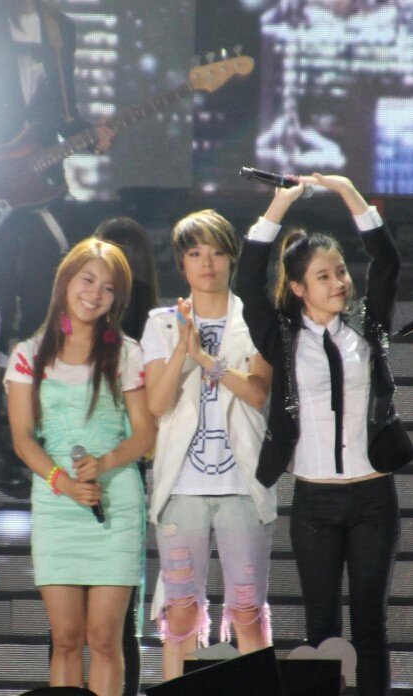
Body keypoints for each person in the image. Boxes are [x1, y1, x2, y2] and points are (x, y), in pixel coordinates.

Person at [236, 173, 411, 695]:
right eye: (323, 276)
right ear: (298, 288)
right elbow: (248, 280)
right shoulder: (281, 336)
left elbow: (387, 261)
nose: (339, 282)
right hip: (314, 503)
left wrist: (349, 193)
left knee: (371, 628)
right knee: (322, 632)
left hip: (373, 498)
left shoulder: (367, 325)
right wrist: (278, 205)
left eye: (340, 272)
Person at [5, 238, 155, 696]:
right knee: (67, 639)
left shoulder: (126, 353)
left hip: (115, 504)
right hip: (57, 506)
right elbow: (22, 438)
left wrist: (103, 463)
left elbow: (145, 435)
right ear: (66, 281)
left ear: (117, 299)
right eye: (87, 280)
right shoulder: (29, 354)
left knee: (105, 638)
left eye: (108, 288)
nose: (95, 294)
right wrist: (63, 482)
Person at [141, 209, 276, 680]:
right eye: (196, 253)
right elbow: (157, 404)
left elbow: (258, 394)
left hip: (243, 485)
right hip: (181, 488)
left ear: (232, 259)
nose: (207, 263)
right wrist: (183, 347)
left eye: (217, 253)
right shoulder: (161, 323)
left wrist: (205, 359)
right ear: (181, 262)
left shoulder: (254, 320)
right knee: (180, 612)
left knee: (248, 611)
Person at [0, 0, 113, 494]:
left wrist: (89, 134)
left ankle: (23, 436)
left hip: (39, 190)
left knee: (42, 314)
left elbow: (62, 114)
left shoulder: (58, 26)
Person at [95, 216, 158, 696]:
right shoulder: (73, 329)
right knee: (101, 627)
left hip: (120, 474)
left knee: (112, 624)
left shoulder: (150, 334)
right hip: (82, 476)